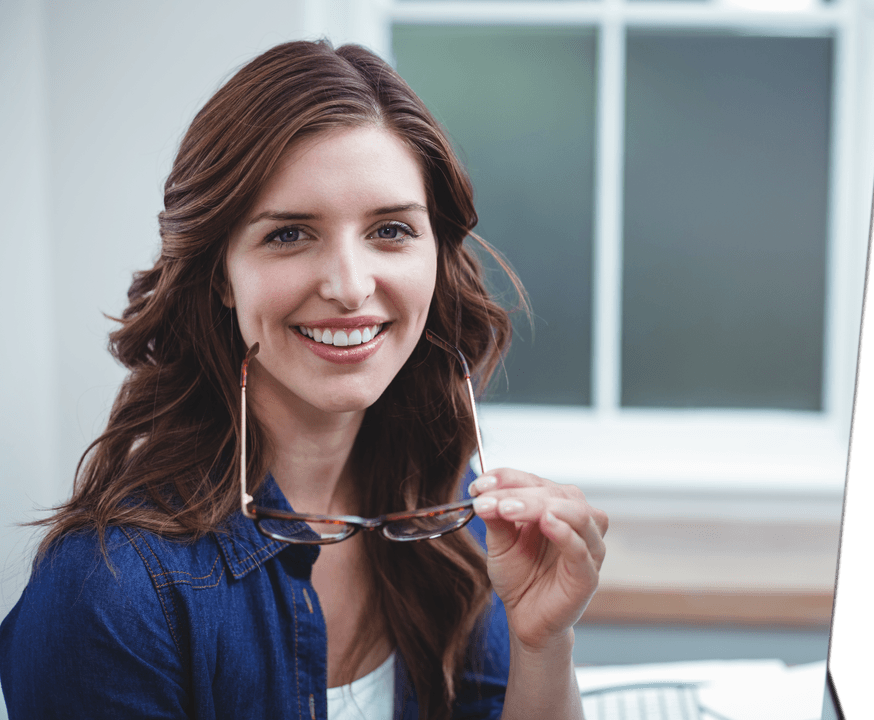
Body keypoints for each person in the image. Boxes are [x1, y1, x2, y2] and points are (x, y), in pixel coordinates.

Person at [0, 39, 607, 720]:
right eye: (289, 235)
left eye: (390, 230)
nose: (349, 287)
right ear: (221, 274)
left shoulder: (452, 515)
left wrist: (542, 644)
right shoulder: (108, 593)